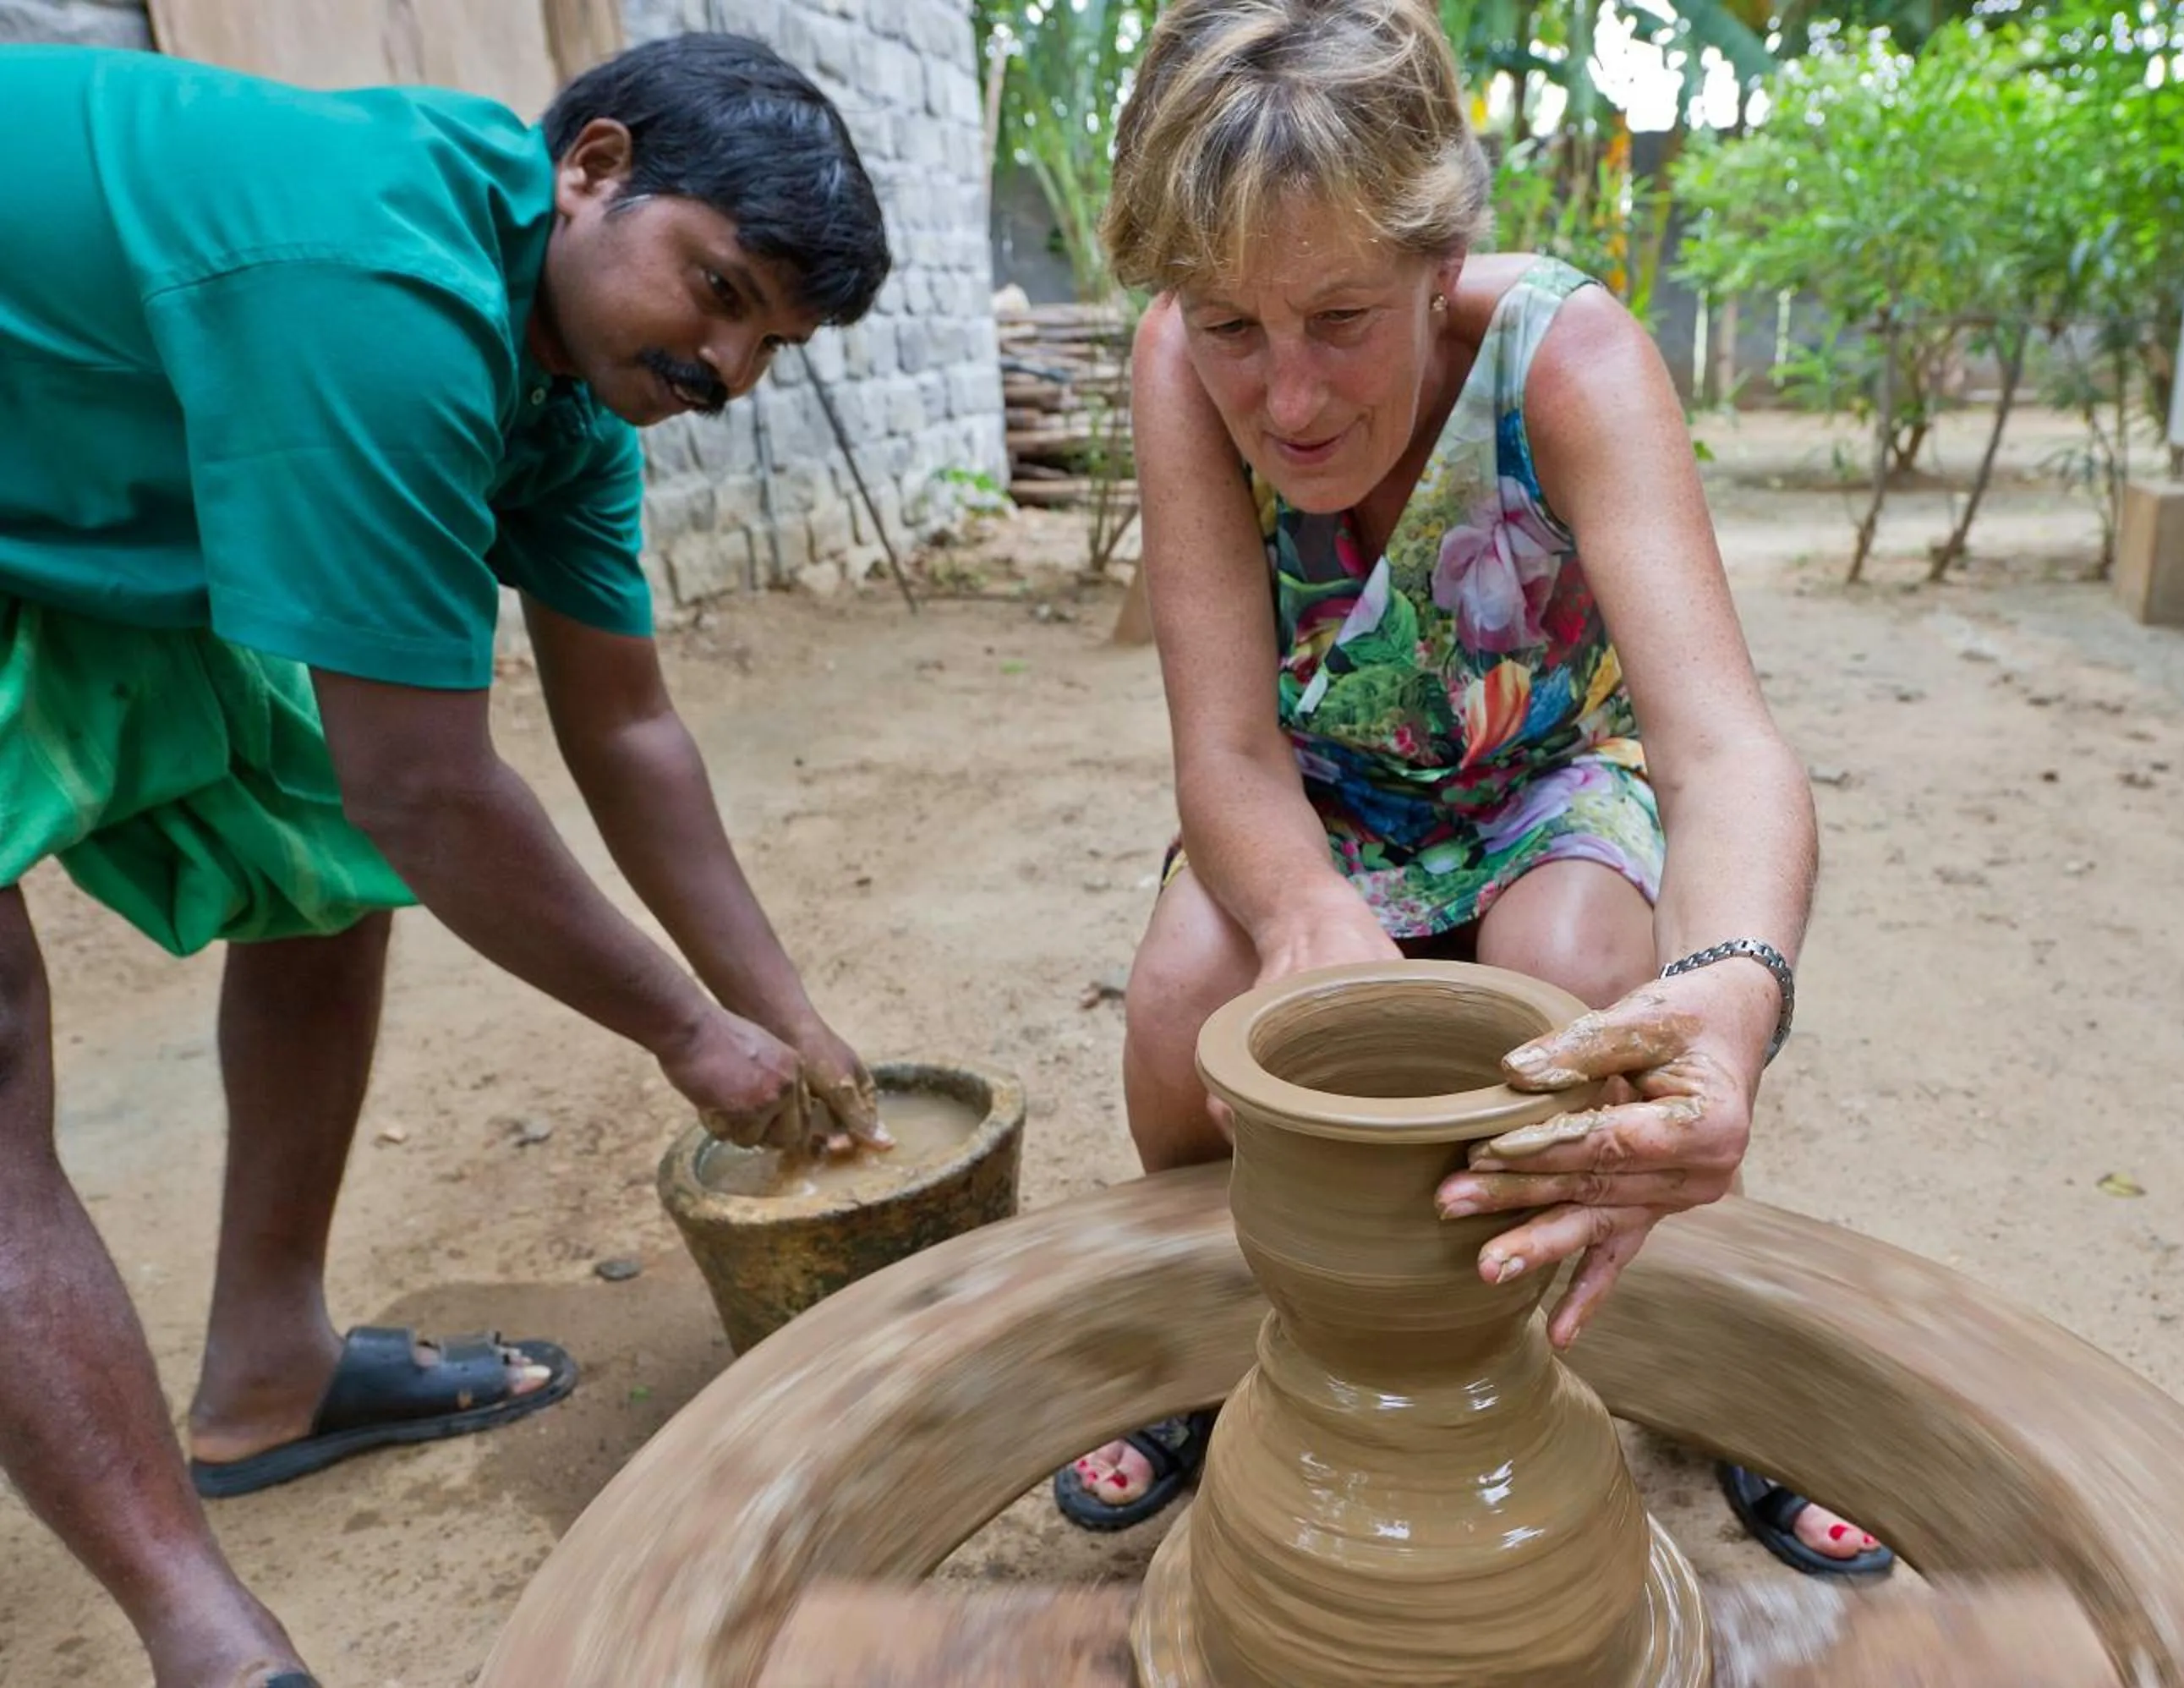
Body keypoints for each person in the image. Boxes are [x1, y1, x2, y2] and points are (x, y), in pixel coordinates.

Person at [1, 32, 894, 1688]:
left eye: (770, 341)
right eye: (720, 291)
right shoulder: (384, 293)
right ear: (594, 168)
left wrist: (785, 1010)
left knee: (320, 867)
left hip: (51, 458)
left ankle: (270, 1368)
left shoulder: (566, 383)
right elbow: (424, 786)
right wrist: (687, 1033)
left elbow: (627, 726)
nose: (727, 366)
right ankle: (204, 1632)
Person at [1044, 0, 1891, 1584]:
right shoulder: (1176, 362)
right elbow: (1225, 751)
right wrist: (1306, 918)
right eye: (1234, 327)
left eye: (1340, 318)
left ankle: (1676, 1349)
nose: (1290, 400)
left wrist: (1735, 993)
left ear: (1441, 262)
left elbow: (1722, 749)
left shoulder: (1569, 360)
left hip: (1547, 770)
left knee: (1580, 987)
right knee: (1180, 1008)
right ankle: (1218, 1350)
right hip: (1320, 795)